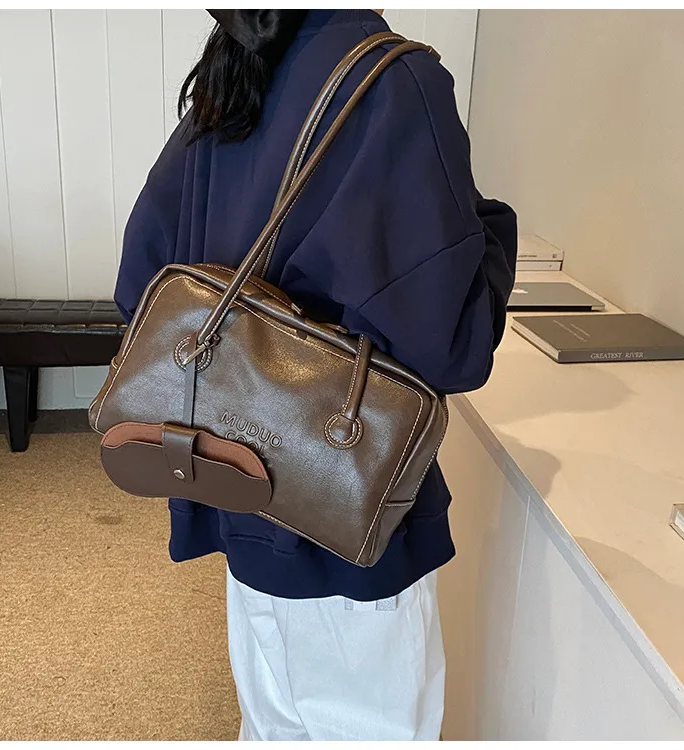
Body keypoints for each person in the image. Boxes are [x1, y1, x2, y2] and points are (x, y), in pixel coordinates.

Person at [114, 9, 517, 742]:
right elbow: (452, 343)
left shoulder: (237, 64)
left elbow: (143, 284)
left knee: (276, 720)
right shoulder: (394, 80)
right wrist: (490, 230)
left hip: (240, 485)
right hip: (341, 504)